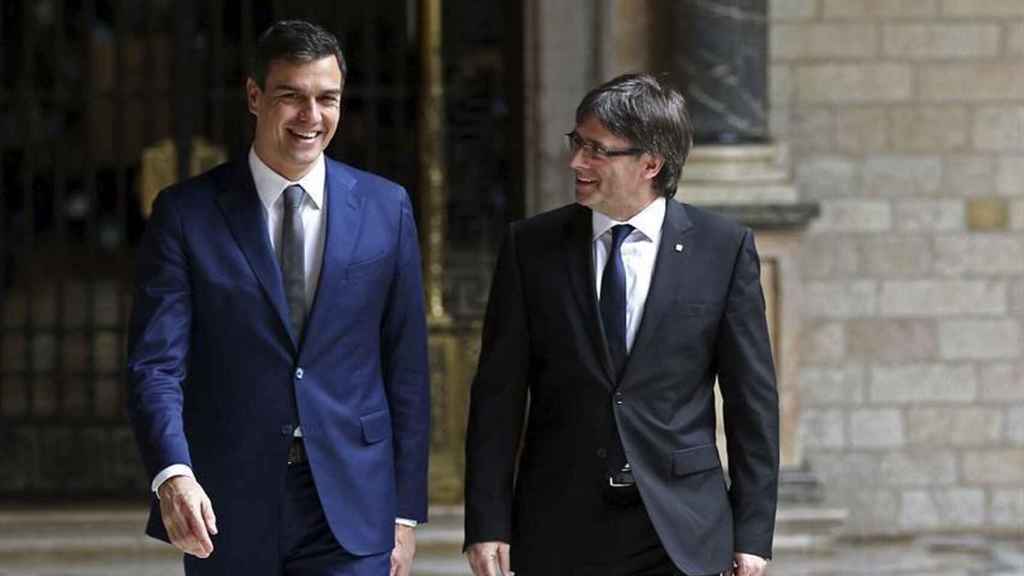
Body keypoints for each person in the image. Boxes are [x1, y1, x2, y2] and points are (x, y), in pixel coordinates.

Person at [126, 20, 429, 576]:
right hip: (226, 502)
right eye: (292, 96)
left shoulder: (389, 208)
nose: (311, 117)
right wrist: (173, 472)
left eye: (327, 99)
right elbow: (155, 366)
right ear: (254, 96)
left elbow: (405, 366)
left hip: (352, 501)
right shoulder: (186, 213)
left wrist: (405, 513)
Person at [463, 73, 779, 576]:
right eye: (576, 143)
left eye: (596, 151)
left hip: (681, 528)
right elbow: (497, 398)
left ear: (650, 163)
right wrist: (486, 522)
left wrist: (754, 534)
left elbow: (752, 403)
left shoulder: (724, 249)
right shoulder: (530, 247)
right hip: (559, 524)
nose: (575, 163)